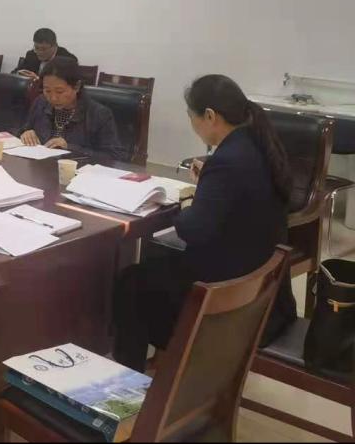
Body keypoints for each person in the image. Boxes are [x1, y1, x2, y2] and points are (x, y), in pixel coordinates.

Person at [113, 75, 297, 372]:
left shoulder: (228, 160)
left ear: (210, 116)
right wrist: (209, 183)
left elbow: (193, 229)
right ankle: (165, 362)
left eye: (192, 117)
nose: (193, 125)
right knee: (156, 264)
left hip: (227, 297)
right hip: (263, 289)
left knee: (131, 283)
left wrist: (190, 201)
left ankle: (128, 379)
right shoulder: (258, 144)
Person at [18, 57, 125, 160]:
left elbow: (113, 156)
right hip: (41, 167)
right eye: (47, 90)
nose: (53, 98)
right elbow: (23, 130)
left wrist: (70, 148)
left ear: (77, 86)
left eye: (59, 91)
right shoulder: (41, 103)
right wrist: (25, 133)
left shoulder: (98, 114)